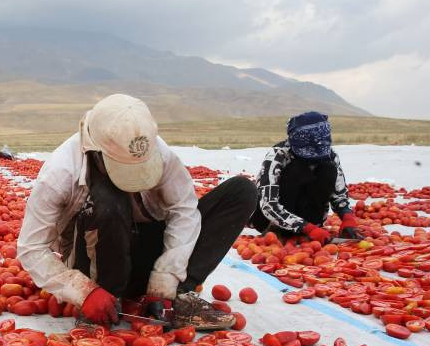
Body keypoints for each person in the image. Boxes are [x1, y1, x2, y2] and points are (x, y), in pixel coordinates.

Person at [18, 94, 256, 331]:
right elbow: (31, 248)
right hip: (96, 258)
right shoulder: (60, 172)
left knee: (241, 191)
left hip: (147, 248)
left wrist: (166, 279)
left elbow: (183, 211)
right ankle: (109, 298)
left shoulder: (158, 152)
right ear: (96, 152)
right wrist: (82, 290)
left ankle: (176, 297)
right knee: (108, 197)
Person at [250, 112, 363, 243]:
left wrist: (347, 217)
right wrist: (307, 228)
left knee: (328, 168)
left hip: (310, 219)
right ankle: (280, 230)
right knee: (297, 169)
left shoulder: (329, 155)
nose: (313, 160)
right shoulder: (278, 155)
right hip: (270, 219)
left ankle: (307, 227)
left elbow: (339, 193)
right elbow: (269, 204)